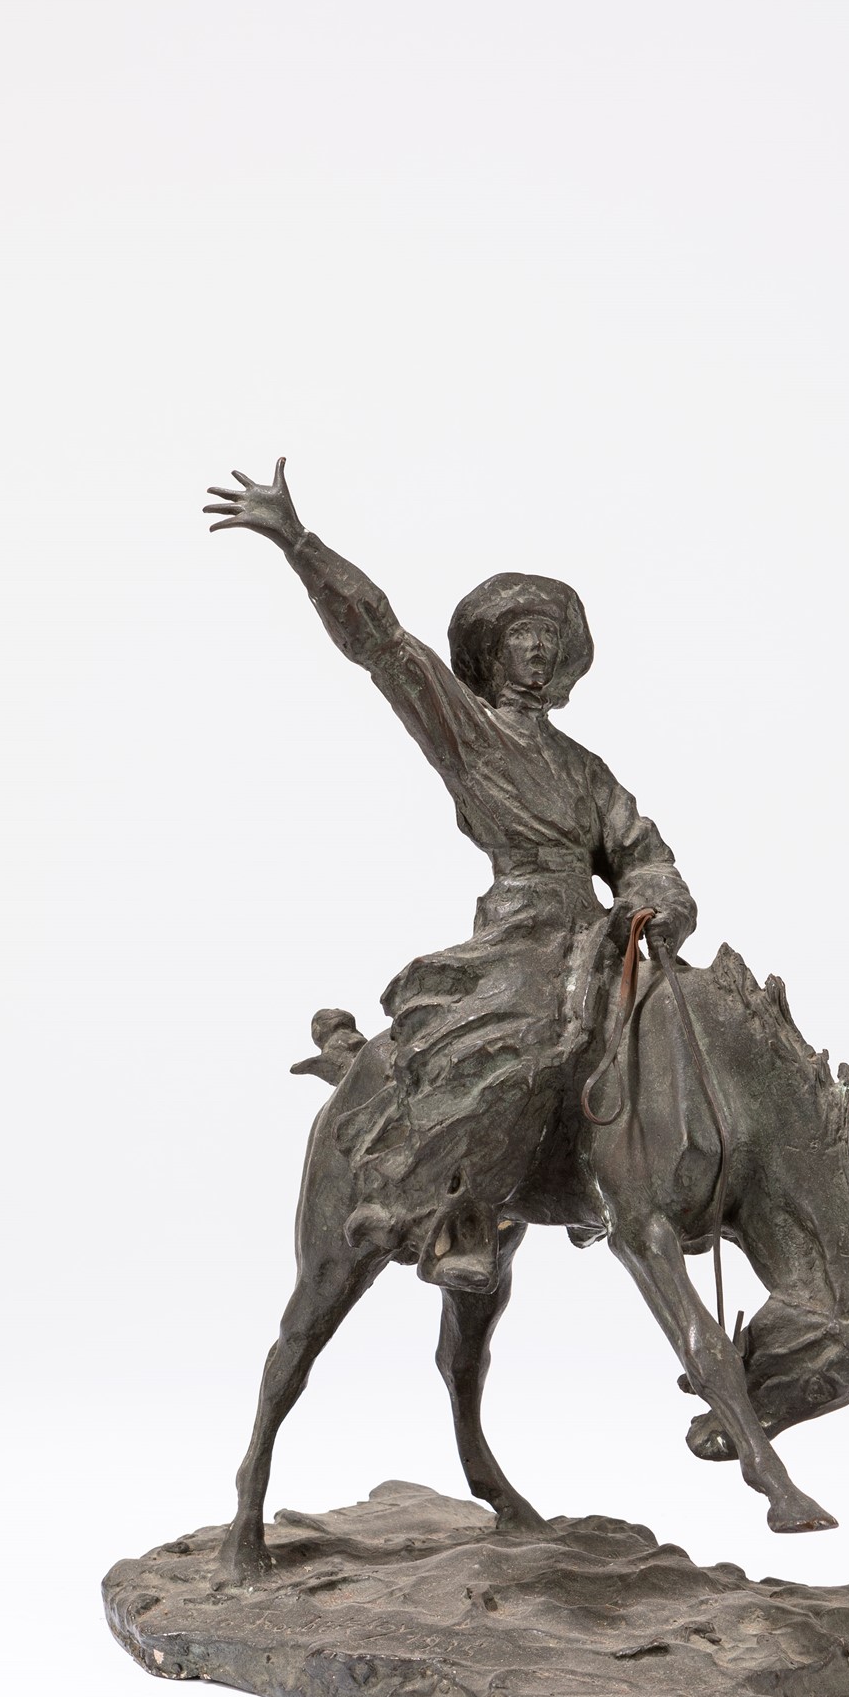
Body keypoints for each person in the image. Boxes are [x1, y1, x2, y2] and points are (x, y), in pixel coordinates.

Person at [205, 460, 697, 1294]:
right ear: (490, 653)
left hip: (602, 937)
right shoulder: (467, 733)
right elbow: (384, 644)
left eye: (548, 640)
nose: (536, 651)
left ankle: (639, 1185)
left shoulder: (585, 768)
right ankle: (457, 1213)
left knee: (682, 1027)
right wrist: (299, 543)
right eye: (521, 637)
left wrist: (656, 902)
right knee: (518, 1044)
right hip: (519, 934)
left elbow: (640, 851)